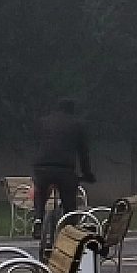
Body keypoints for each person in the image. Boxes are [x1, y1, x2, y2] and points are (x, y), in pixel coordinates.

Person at [32, 98, 95, 239]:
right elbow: (83, 153)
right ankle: (69, 227)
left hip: (42, 166)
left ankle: (38, 218)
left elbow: (39, 143)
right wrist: (87, 174)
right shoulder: (78, 125)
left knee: (41, 192)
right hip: (65, 169)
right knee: (69, 200)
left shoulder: (43, 122)